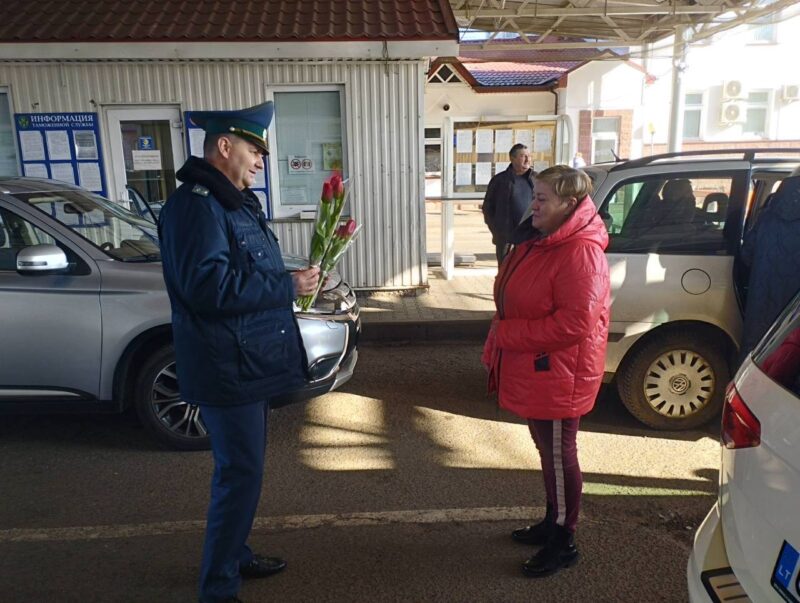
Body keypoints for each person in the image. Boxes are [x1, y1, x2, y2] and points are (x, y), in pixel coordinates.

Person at [158, 101, 320, 603]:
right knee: (239, 473)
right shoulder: (196, 206)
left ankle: (234, 554)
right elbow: (207, 287)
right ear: (224, 147)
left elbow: (241, 271)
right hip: (226, 366)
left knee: (245, 471)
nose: (261, 162)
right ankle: (218, 586)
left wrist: (290, 280)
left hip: (244, 362)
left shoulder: (231, 202)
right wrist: (285, 286)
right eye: (254, 150)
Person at [481, 165, 610, 578]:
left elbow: (576, 323)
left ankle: (563, 540)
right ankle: (552, 521)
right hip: (544, 369)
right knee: (550, 454)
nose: (532, 204)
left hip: (559, 373)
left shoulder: (579, 251)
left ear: (569, 205)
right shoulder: (546, 239)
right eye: (534, 195)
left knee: (558, 455)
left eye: (541, 199)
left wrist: (509, 334)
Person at [739, 166, 800, 361]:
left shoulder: (768, 213)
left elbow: (747, 254)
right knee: (789, 360)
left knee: (757, 354)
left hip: (761, 298)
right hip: (793, 308)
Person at [482, 143, 534, 264]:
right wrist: (497, 230)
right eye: (523, 156)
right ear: (512, 158)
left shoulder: (537, 179)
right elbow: (487, 208)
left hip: (530, 237)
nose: (527, 159)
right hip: (506, 238)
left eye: (529, 156)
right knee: (506, 272)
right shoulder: (499, 181)